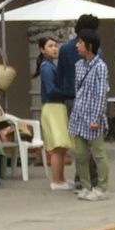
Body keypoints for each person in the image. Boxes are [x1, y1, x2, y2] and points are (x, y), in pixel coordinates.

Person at [69, 30, 109, 199]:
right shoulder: (78, 66)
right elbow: (77, 91)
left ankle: (101, 188)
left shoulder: (100, 67)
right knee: (80, 154)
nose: (77, 45)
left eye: (80, 42)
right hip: (78, 116)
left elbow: (101, 94)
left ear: (89, 46)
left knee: (98, 154)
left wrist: (96, 118)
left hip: (93, 117)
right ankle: (85, 186)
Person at [36, 35, 71, 190]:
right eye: (50, 46)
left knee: (62, 145)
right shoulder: (47, 67)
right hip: (53, 107)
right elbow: (51, 90)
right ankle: (56, 181)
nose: (54, 49)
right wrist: (67, 91)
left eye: (56, 45)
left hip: (56, 107)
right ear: (42, 49)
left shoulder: (50, 65)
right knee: (57, 146)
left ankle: (61, 179)